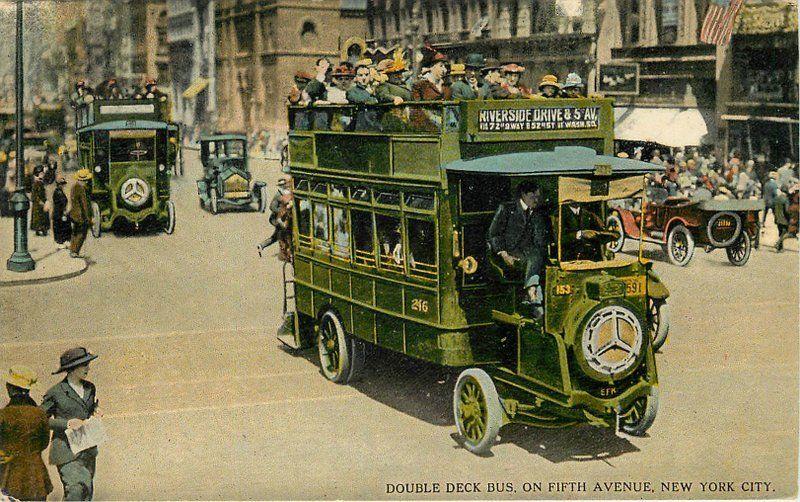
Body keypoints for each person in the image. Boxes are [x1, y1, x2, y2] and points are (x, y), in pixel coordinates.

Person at [41, 348, 101, 501]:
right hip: (66, 450)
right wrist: (66, 424)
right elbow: (40, 420)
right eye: (84, 365)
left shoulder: (90, 388)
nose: (88, 368)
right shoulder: (55, 392)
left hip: (87, 448)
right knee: (75, 489)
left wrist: (95, 411)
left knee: (86, 492)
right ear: (72, 368)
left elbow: (86, 410)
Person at [487, 180, 552, 317]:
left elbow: (541, 240)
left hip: (532, 254)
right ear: (523, 194)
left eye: (538, 197)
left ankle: (533, 293)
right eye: (533, 196)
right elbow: (494, 234)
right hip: (511, 253)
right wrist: (504, 255)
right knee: (536, 257)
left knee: (537, 255)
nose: (536, 200)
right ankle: (533, 295)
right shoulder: (506, 208)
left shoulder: (538, 213)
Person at [0, 366, 53, 501]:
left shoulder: (3, 415)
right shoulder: (40, 414)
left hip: (9, 476)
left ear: (9, 388)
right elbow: (44, 443)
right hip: (37, 477)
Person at [258, 174, 294, 263]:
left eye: (285, 184)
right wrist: (283, 210)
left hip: (284, 219)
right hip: (278, 220)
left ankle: (262, 245)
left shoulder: (286, 192)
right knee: (283, 236)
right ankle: (286, 255)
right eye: (283, 185)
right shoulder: (278, 194)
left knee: (276, 237)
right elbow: (272, 207)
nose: (285, 186)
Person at [69, 169, 92, 258]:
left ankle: (73, 250)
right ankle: (75, 251)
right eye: (86, 180)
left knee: (76, 232)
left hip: (75, 215)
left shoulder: (74, 187)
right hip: (80, 216)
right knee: (81, 233)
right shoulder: (81, 189)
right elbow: (84, 204)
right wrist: (88, 217)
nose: (87, 182)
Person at [30, 165, 50, 236]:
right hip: (38, 203)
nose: (43, 175)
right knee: (40, 217)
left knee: (42, 216)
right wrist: (40, 201)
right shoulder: (37, 183)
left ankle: (40, 229)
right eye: (42, 173)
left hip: (41, 202)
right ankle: (40, 229)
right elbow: (35, 195)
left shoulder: (40, 182)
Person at [53, 175, 71, 248]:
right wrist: (64, 213)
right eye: (62, 184)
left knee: (63, 226)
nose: (63, 186)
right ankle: (59, 242)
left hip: (60, 212)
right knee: (60, 227)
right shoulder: (58, 192)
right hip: (59, 213)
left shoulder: (59, 191)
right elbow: (61, 203)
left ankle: (63, 241)